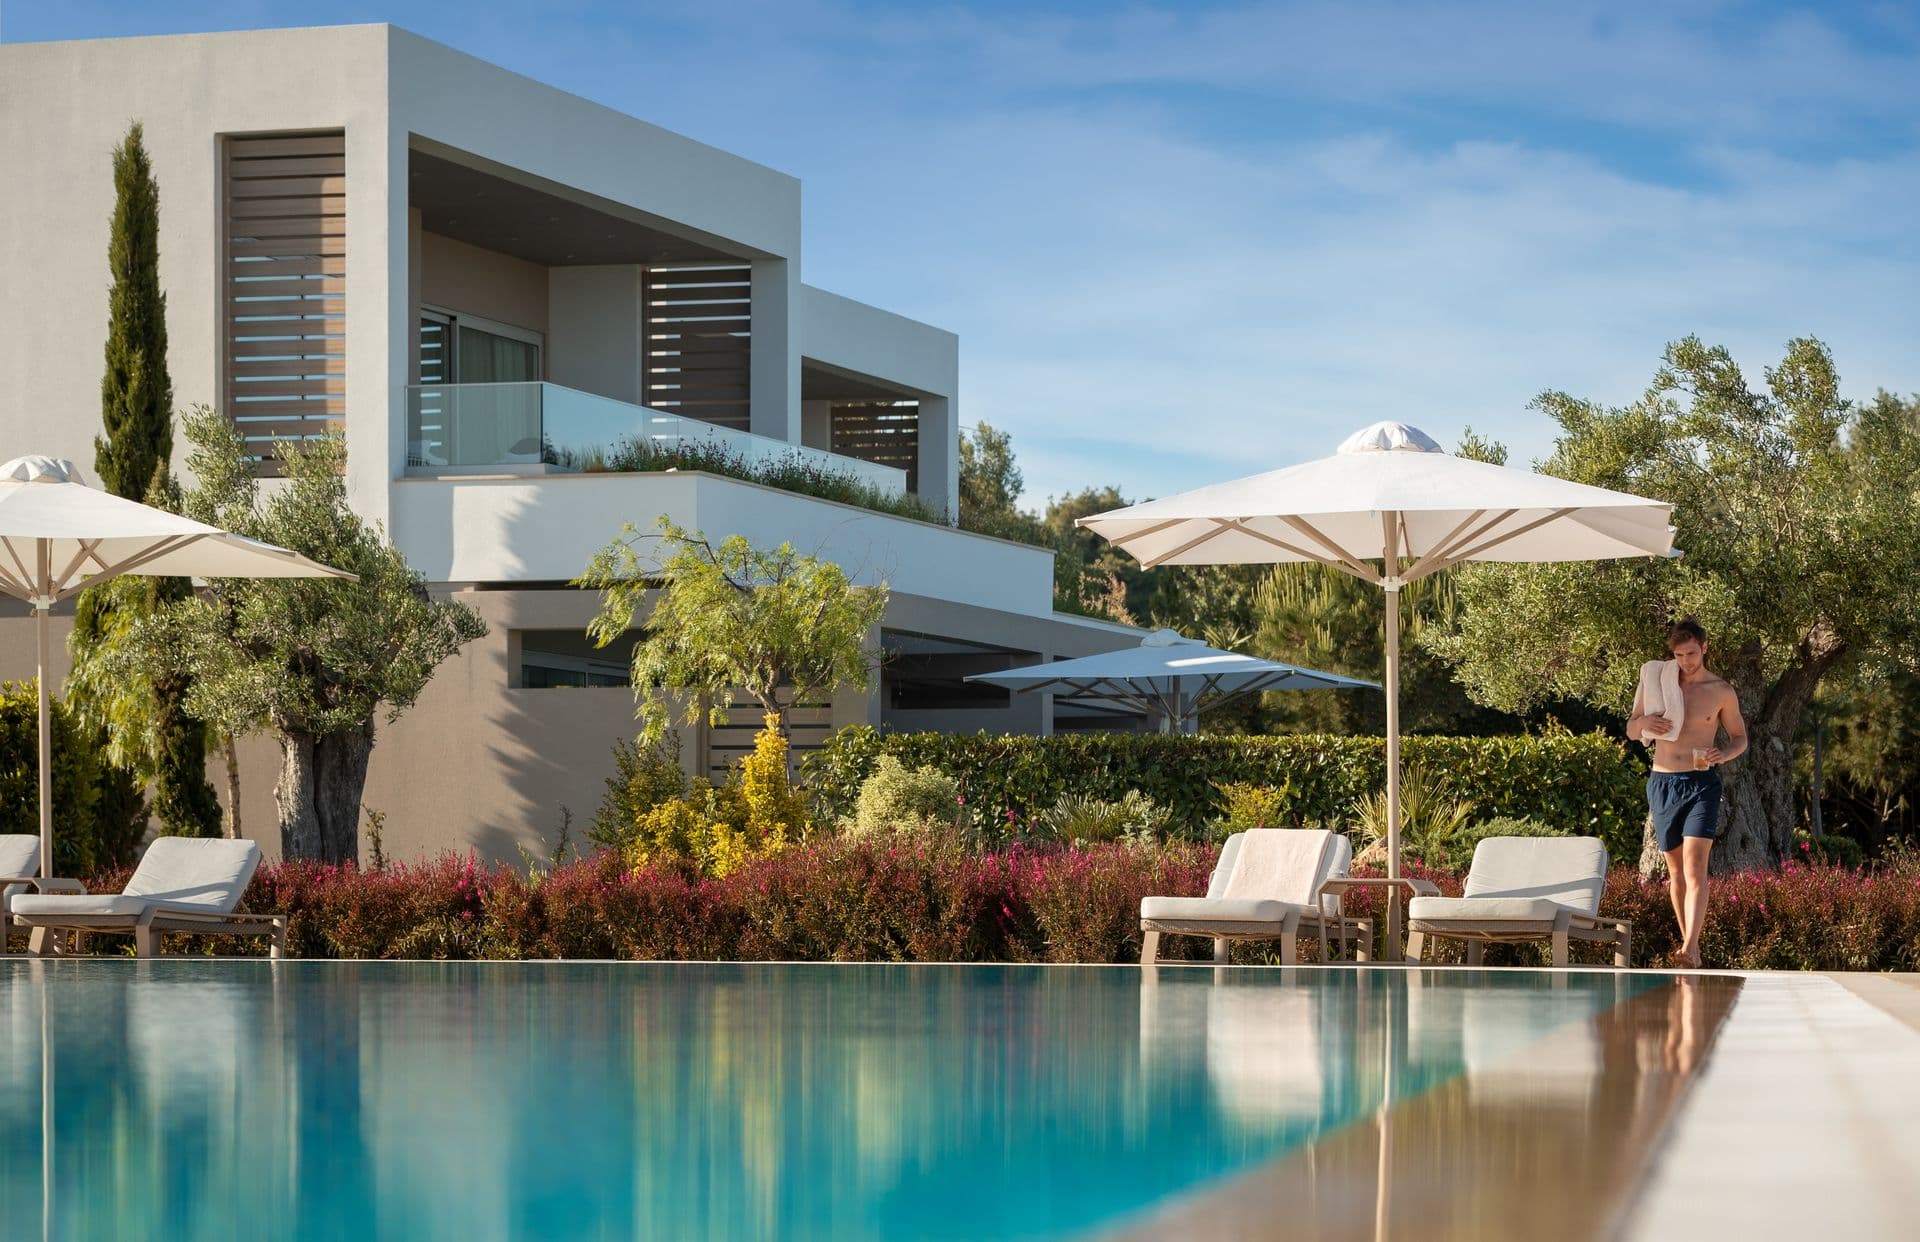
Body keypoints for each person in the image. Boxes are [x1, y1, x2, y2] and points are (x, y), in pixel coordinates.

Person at [1625, 618, 1747, 969]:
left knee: (1695, 867)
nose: (1685, 661)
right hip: (1662, 782)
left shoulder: (1720, 690)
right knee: (1675, 872)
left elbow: (1740, 738)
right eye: (1679, 655)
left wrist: (1723, 754)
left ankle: (1690, 947)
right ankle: (1689, 947)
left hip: (1701, 784)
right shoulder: (1658, 682)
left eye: (1691, 653)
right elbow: (1632, 727)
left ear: (1705, 648)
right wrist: (1644, 725)